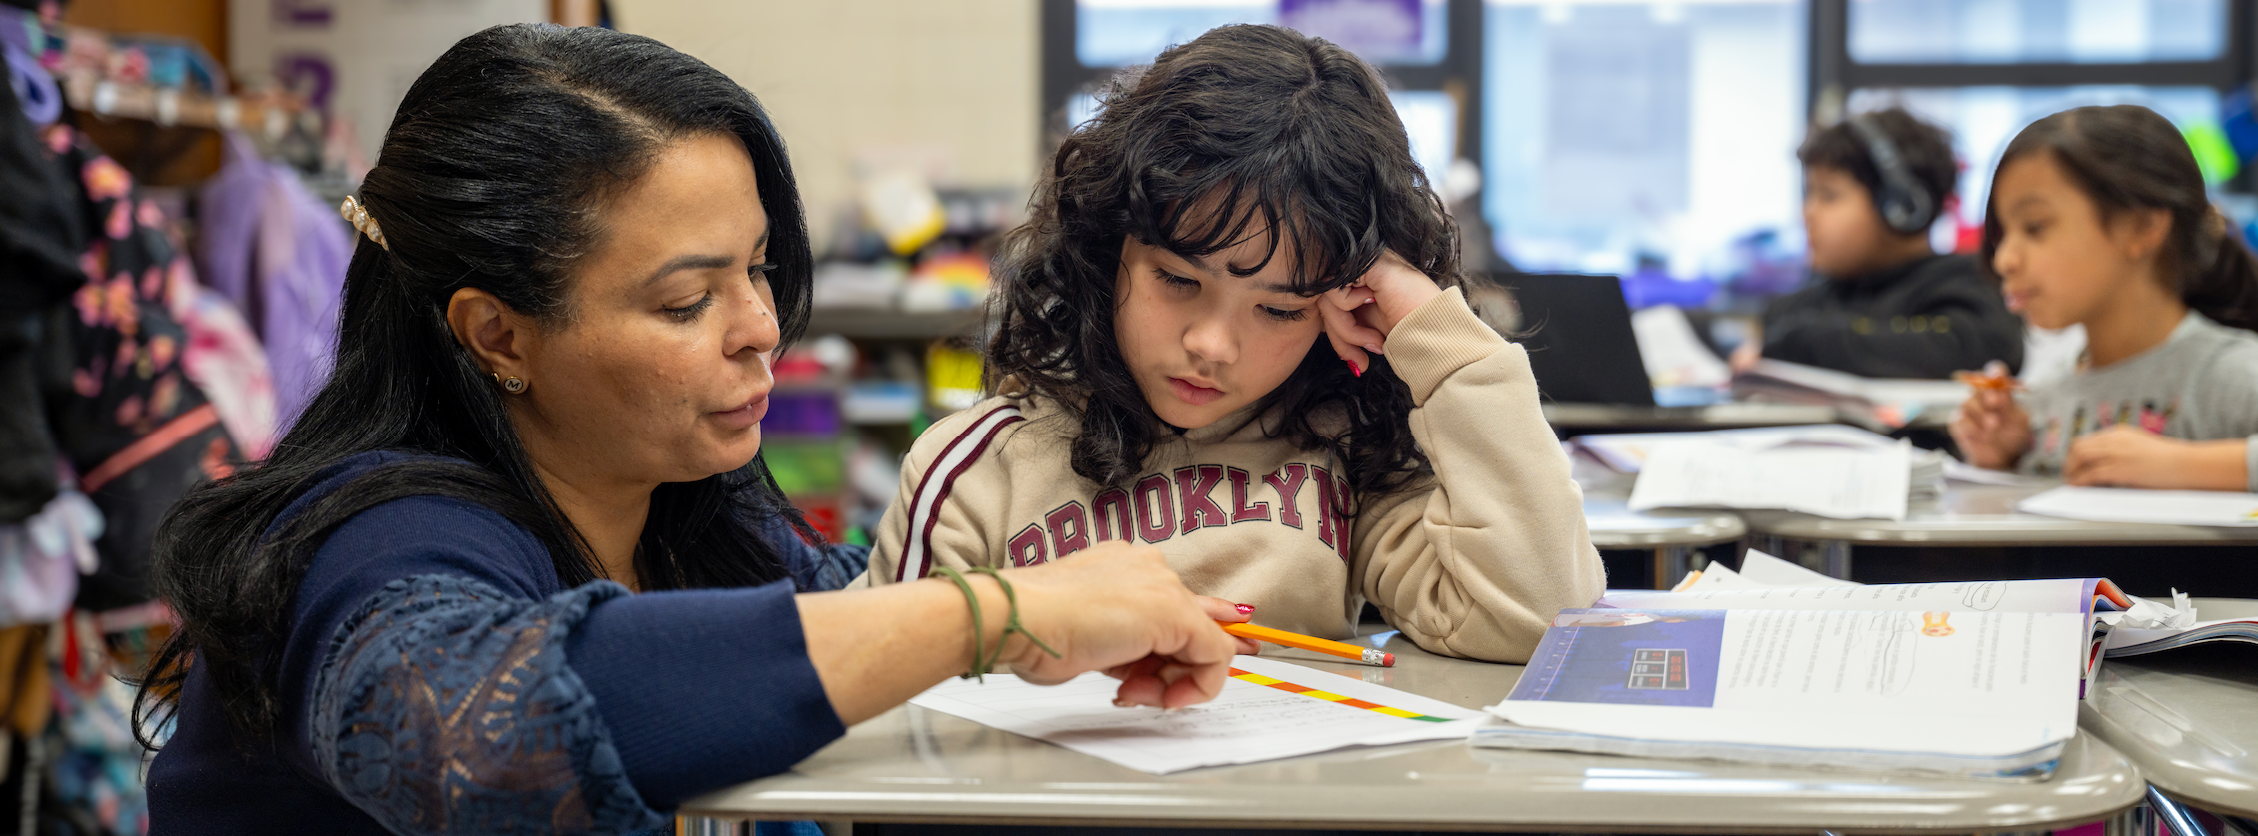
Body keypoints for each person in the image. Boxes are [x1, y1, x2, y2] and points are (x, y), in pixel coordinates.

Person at [136, 24, 1240, 835]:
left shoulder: (697, 517)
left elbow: (850, 620)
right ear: (498, 336)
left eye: (757, 268)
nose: (761, 327)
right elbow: (486, 735)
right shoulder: (383, 540)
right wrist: (991, 612)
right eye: (684, 301)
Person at [855, 25, 1606, 665]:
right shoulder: (980, 470)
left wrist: (1439, 340)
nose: (1211, 344)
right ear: (1105, 249)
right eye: (1178, 281)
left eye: (1279, 310)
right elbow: (894, 709)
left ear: (1338, 310)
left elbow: (1538, 622)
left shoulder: (1345, 456)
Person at [1951, 104, 2258, 491]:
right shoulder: (2043, 399)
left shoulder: (2227, 374)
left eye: (2035, 227)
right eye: (2001, 234)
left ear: (2141, 228)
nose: (2004, 259)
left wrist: (2182, 465)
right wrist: (2003, 458)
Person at [1733, 107, 2024, 379]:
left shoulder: (1969, 285)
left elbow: (1973, 351)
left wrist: (1800, 345)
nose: (1808, 213)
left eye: (1829, 195)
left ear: (1902, 205)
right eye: (1809, 193)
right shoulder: (1798, 307)